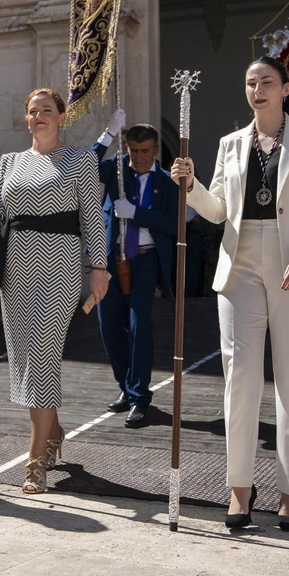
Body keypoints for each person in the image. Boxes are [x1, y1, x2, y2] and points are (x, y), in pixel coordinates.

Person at [169, 56, 289, 531]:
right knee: (239, 377)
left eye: (266, 82)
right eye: (250, 83)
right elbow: (219, 211)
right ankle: (239, 488)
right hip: (240, 261)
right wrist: (192, 185)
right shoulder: (231, 143)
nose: (257, 89)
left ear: (286, 89)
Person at [0, 88, 108, 495]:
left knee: (42, 355)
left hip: (60, 265)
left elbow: (93, 218)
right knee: (25, 360)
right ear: (26, 119)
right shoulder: (11, 162)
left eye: (47, 109)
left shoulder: (80, 159)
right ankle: (54, 429)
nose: (39, 115)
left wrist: (100, 268)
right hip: (16, 268)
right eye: (32, 111)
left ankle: (36, 460)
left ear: (61, 116)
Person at [90, 109, 182, 429]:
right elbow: (83, 166)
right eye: (133, 150)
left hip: (145, 259)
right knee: (109, 326)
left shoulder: (168, 182)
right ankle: (125, 387)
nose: (139, 158)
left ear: (155, 150)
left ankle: (140, 397)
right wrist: (109, 133)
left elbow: (175, 223)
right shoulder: (116, 170)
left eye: (145, 151)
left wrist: (138, 213)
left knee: (140, 324)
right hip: (112, 259)